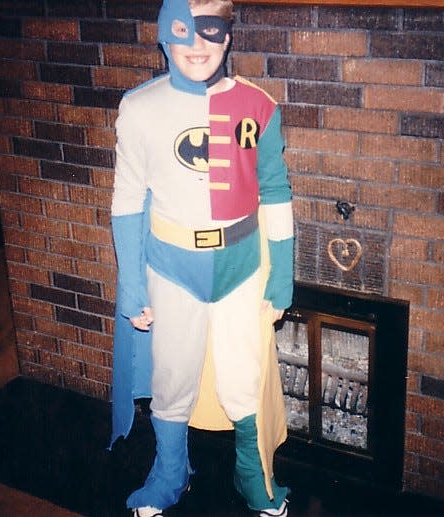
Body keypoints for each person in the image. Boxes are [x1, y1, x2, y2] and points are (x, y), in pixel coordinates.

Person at [109, 0, 293, 515]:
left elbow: (275, 191)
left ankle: (251, 475)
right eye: (183, 29)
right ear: (163, 35)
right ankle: (170, 474)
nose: (197, 44)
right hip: (171, 265)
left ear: (228, 36)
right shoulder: (140, 108)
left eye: (211, 29)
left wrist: (284, 275)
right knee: (172, 375)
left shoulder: (258, 106)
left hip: (241, 265)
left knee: (244, 375)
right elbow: (125, 204)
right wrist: (133, 288)